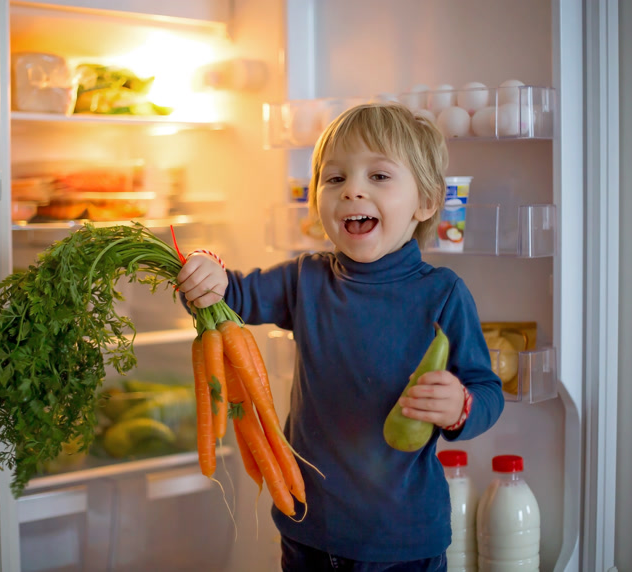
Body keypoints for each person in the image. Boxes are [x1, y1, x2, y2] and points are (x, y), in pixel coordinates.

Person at [177, 102, 504, 571]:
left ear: (427, 201)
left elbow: (488, 391)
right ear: (316, 202)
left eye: (379, 176)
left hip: (402, 539)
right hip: (307, 529)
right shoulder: (305, 279)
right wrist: (205, 269)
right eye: (334, 178)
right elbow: (231, 294)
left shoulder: (442, 294)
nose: (352, 190)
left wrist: (460, 406)